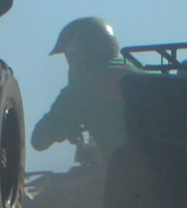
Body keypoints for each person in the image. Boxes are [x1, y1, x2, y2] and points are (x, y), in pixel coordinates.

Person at [30, 17, 129, 161]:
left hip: (129, 174)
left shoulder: (81, 88)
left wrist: (69, 123)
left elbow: (39, 140)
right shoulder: (147, 72)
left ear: (78, 51)